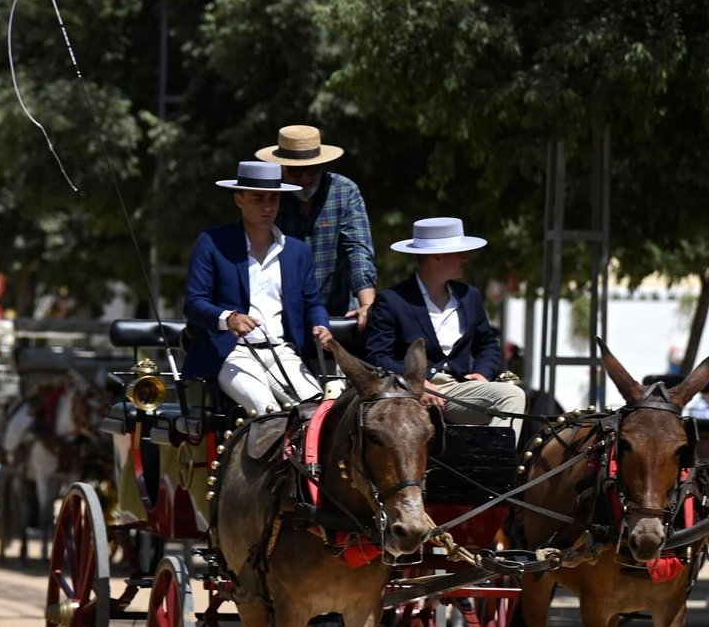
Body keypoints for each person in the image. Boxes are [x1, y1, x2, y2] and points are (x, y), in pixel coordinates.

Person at [183, 160, 333, 415]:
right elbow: (194, 303)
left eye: (273, 200)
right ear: (239, 199)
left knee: (318, 413)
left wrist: (321, 325)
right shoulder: (212, 242)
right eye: (258, 199)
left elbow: (312, 302)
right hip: (232, 353)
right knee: (269, 411)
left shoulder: (297, 251)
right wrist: (228, 319)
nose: (267, 207)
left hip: (282, 351)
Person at [365, 217, 526, 427]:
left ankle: (494, 459)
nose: (465, 258)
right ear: (436, 256)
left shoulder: (470, 296)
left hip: (458, 389)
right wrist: (415, 383)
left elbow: (487, 345)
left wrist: (482, 373)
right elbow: (377, 356)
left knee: (513, 396)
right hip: (407, 393)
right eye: (459, 252)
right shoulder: (393, 300)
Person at [258, 125, 379, 328]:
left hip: (339, 313)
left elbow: (358, 249)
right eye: (296, 171)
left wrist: (367, 304)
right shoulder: (270, 197)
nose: (305, 178)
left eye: (313, 169)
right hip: (283, 314)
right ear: (281, 168)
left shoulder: (344, 191)